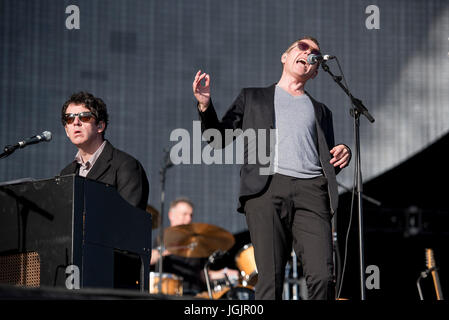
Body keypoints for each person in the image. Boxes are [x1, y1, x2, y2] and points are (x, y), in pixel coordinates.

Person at [192, 36, 351, 300]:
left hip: (312, 191)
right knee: (271, 279)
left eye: (315, 53)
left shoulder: (322, 111)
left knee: (323, 277)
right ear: (285, 57)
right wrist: (205, 106)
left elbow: (327, 161)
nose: (309, 53)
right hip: (266, 189)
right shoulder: (253, 97)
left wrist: (342, 151)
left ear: (315, 72)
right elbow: (217, 140)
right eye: (302, 47)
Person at [60, 91, 149, 210]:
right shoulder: (66, 173)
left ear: (100, 126)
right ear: (66, 130)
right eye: (70, 119)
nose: (76, 122)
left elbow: (128, 219)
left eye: (84, 117)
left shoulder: (126, 166)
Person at [150, 198, 240, 296]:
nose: (189, 219)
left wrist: (225, 273)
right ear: (171, 215)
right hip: (169, 292)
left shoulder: (196, 242)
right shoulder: (161, 239)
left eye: (191, 215)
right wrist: (163, 252)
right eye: (184, 214)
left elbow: (202, 275)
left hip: (194, 294)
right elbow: (150, 260)